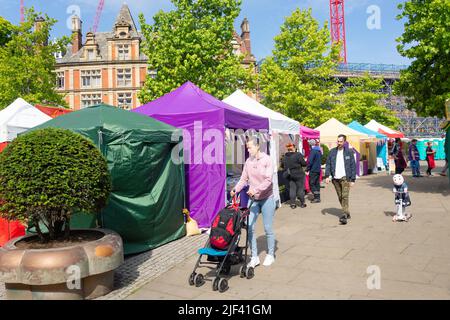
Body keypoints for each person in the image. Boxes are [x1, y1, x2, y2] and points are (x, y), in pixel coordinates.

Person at [230, 137, 276, 268]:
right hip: (253, 200)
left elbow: (268, 181)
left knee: (268, 228)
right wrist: (235, 189)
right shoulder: (248, 162)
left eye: (250, 147)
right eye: (247, 147)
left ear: (257, 147)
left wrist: (255, 189)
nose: (248, 149)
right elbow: (243, 179)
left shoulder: (267, 160)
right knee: (250, 227)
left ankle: (271, 254)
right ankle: (254, 256)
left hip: (267, 198)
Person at [325, 134, 356, 225]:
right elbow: (328, 164)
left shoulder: (349, 152)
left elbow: (353, 166)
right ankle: (347, 212)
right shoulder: (332, 152)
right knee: (340, 196)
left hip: (345, 178)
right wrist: (327, 176)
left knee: (344, 196)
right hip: (335, 178)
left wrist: (353, 179)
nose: (339, 143)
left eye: (341, 141)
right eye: (338, 141)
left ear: (344, 142)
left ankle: (344, 215)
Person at [282, 143, 307, 209]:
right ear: (293, 147)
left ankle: (293, 204)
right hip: (299, 174)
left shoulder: (285, 156)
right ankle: (302, 203)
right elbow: (304, 164)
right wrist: (305, 160)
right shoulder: (298, 155)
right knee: (300, 189)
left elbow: (283, 166)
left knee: (292, 189)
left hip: (290, 175)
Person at [306, 139, 322, 203]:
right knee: (316, 184)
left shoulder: (313, 151)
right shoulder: (318, 150)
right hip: (318, 169)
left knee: (312, 184)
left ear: (310, 144)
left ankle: (317, 197)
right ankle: (317, 197)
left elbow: (310, 161)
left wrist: (307, 169)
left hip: (313, 170)